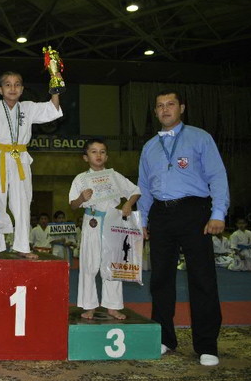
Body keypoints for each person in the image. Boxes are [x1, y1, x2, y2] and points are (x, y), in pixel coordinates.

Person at [138, 89, 229, 366]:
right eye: (160, 106)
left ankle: (207, 345)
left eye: (170, 104)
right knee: (160, 280)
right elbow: (143, 186)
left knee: (202, 278)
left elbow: (217, 176)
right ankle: (165, 337)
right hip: (160, 214)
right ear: (155, 112)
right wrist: (142, 221)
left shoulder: (200, 137)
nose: (165, 109)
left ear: (182, 108)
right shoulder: (150, 147)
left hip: (194, 211)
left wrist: (218, 213)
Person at [0, 71, 63, 258]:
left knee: (23, 202)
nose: (12, 88)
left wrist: (55, 89)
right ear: (0, 89)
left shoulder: (28, 107)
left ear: (22, 89)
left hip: (20, 158)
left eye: (17, 84)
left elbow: (52, 109)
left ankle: (23, 246)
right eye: (8, 85)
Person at [69, 139, 140, 320]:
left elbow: (135, 191)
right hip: (91, 221)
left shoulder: (114, 176)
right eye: (93, 151)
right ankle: (89, 306)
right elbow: (73, 205)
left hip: (112, 222)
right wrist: (81, 198)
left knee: (112, 264)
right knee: (89, 264)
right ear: (86, 157)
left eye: (102, 151)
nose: (98, 155)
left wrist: (128, 204)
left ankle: (113, 306)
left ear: (107, 156)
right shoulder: (80, 179)